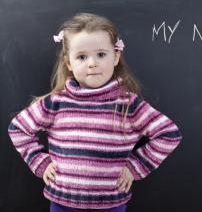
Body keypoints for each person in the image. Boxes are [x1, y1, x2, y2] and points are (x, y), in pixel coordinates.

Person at [7, 13, 182, 212]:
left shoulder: (128, 105)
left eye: (101, 54)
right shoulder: (56, 102)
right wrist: (40, 162)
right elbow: (18, 128)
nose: (92, 63)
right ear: (69, 63)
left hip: (110, 204)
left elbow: (169, 134)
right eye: (82, 56)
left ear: (116, 56)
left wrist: (134, 168)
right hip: (62, 202)